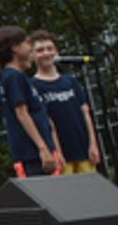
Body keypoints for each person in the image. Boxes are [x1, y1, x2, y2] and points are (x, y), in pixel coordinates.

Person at [0, 27, 62, 178]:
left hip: (38, 152)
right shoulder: (13, 77)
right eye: (27, 43)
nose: (30, 48)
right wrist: (42, 148)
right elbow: (22, 113)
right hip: (32, 155)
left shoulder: (17, 77)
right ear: (15, 47)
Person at [30, 30, 101, 174]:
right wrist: (55, 151)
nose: (46, 53)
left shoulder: (70, 81)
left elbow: (85, 112)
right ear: (32, 55)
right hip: (61, 154)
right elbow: (45, 121)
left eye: (50, 49)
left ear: (56, 51)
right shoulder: (33, 85)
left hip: (83, 149)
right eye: (40, 50)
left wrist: (93, 144)